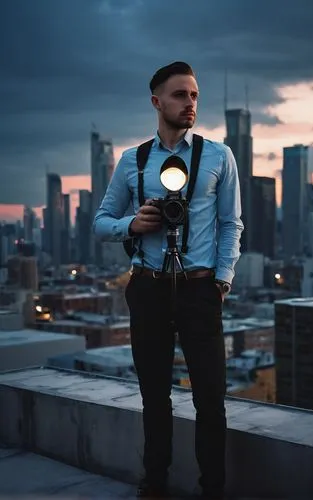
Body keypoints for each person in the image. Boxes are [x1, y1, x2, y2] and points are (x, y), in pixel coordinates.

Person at [93, 61, 243, 498]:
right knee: (154, 399)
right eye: (180, 95)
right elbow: (102, 223)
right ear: (158, 102)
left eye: (195, 95)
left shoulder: (219, 155)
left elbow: (231, 223)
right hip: (149, 286)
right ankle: (153, 485)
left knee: (211, 402)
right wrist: (133, 225)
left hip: (200, 288)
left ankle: (212, 489)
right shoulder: (132, 160)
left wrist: (222, 281)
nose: (190, 103)